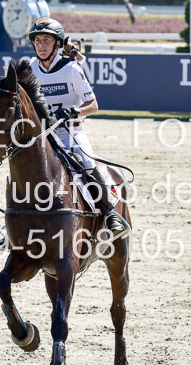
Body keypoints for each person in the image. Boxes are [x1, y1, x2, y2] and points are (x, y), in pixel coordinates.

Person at [26, 17, 130, 241]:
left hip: (70, 133)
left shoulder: (71, 69)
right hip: (44, 134)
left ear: (57, 44)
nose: (41, 45)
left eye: (46, 40)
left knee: (87, 166)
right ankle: (11, 224)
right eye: (37, 40)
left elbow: (93, 105)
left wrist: (73, 112)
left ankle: (110, 213)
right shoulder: (31, 69)